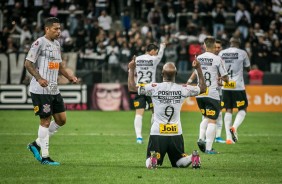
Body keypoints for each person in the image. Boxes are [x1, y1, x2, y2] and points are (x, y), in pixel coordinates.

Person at [128, 58, 207, 169]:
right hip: (176, 132)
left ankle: (153, 159)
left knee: (149, 163)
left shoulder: (154, 87)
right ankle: (192, 158)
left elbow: (131, 87)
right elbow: (203, 88)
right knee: (179, 162)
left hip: (158, 132)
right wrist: (198, 68)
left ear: (162, 74)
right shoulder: (182, 89)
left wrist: (131, 69)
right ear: (176, 74)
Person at [25, 17, 79, 166]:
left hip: (54, 88)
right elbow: (28, 63)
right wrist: (39, 78)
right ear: (47, 29)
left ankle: (35, 144)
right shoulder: (39, 43)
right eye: (55, 29)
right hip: (40, 89)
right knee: (46, 121)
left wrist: (70, 77)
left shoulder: (56, 44)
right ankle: (45, 157)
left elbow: (59, 66)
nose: (59, 31)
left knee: (61, 120)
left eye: (59, 28)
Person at [187, 36, 229, 154]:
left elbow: (196, 73)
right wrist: (224, 80)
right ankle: (209, 149)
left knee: (206, 117)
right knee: (212, 120)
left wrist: (189, 82)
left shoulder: (199, 57)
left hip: (200, 93)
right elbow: (225, 77)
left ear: (204, 46)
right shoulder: (217, 59)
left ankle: (201, 138)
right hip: (212, 93)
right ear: (214, 46)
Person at [132, 42, 166, 144]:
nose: (156, 54)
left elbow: (131, 69)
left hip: (140, 87)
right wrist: (162, 46)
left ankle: (139, 137)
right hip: (151, 88)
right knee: (154, 112)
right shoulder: (154, 59)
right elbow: (160, 55)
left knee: (139, 113)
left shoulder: (137, 59)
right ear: (151, 51)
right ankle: (152, 134)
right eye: (155, 52)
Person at [218, 37, 251, 144]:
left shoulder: (222, 53)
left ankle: (228, 138)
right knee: (243, 108)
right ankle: (235, 127)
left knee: (228, 109)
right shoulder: (242, 53)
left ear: (230, 43)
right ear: (239, 43)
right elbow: (248, 68)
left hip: (225, 85)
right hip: (238, 86)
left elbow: (218, 68)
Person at [214, 39, 225, 144]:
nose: (217, 49)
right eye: (215, 47)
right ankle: (203, 137)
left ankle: (217, 137)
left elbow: (223, 74)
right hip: (209, 91)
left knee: (219, 114)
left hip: (219, 91)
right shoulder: (210, 58)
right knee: (207, 116)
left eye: (219, 47)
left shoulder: (221, 59)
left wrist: (221, 80)